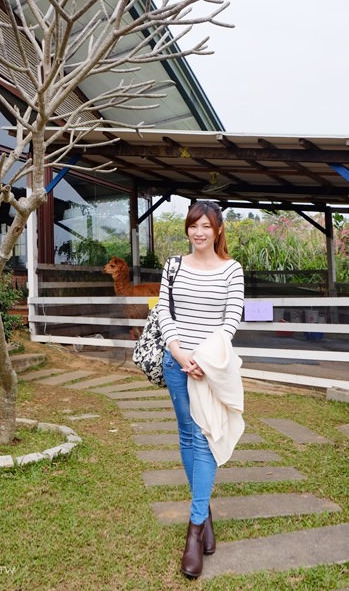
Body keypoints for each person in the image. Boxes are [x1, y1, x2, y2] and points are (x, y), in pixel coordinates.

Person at [157, 200, 244, 579]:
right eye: (194, 225)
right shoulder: (174, 266)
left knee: (204, 437)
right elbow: (164, 311)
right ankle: (204, 511)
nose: (199, 232)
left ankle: (193, 534)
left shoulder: (231, 270)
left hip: (210, 367)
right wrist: (179, 354)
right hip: (177, 364)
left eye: (207, 225)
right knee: (187, 433)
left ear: (218, 230)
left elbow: (231, 319)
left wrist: (203, 361)